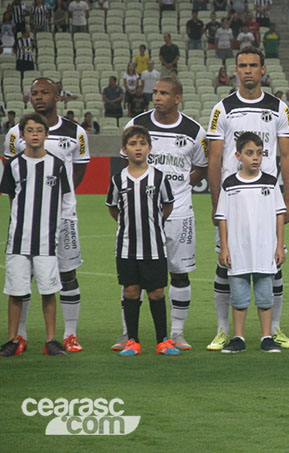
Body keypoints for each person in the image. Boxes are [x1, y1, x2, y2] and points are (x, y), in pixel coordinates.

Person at [206, 48, 289, 351]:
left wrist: (288, 197)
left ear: (262, 69)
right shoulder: (223, 109)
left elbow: (286, 155)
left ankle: (275, 330)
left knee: (273, 262)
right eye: (242, 66)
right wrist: (216, 202)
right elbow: (215, 159)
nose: (247, 71)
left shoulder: (278, 108)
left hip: (266, 199)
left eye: (253, 66)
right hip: (235, 200)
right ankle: (223, 331)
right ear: (236, 70)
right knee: (227, 265)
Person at [110, 77, 208, 351]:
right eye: (155, 92)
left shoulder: (194, 131)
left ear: (177, 97)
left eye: (163, 93)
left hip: (179, 213)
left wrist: (180, 186)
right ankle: (127, 334)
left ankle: (176, 333)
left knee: (179, 272)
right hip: (140, 217)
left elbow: (201, 166)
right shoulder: (137, 125)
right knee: (133, 276)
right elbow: (125, 165)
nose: (157, 97)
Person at [4, 78, 91, 354]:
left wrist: (56, 202)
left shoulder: (75, 132)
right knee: (23, 278)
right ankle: (20, 336)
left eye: (45, 92)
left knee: (66, 273)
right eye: (34, 93)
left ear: (57, 96)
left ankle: (70, 334)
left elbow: (77, 171)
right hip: (28, 222)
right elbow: (12, 180)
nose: (38, 97)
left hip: (64, 219)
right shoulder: (15, 135)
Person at [0, 113, 75, 358]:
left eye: (39, 130)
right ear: (21, 135)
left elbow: (65, 200)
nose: (34, 134)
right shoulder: (13, 165)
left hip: (47, 242)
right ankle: (12, 339)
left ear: (46, 134)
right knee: (16, 292)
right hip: (18, 240)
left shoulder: (57, 165)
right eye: (29, 130)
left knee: (48, 292)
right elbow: (13, 198)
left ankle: (51, 340)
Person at [106, 125, 179, 357]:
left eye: (142, 143)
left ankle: (162, 341)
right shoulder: (118, 179)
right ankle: (133, 341)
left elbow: (167, 205)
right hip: (127, 247)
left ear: (149, 147)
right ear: (124, 149)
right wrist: (129, 224)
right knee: (131, 291)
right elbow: (113, 208)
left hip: (155, 246)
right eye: (133, 144)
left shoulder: (158, 177)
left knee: (156, 292)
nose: (138, 148)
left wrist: (153, 223)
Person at [214, 132, 284, 355]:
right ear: (238, 155)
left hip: (265, 250)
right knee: (239, 298)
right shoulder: (230, 184)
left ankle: (266, 337)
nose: (255, 157)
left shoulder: (271, 183)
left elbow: (279, 214)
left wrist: (279, 245)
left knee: (265, 297)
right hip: (238, 251)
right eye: (250, 153)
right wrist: (224, 247)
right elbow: (222, 217)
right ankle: (238, 337)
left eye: (260, 153)